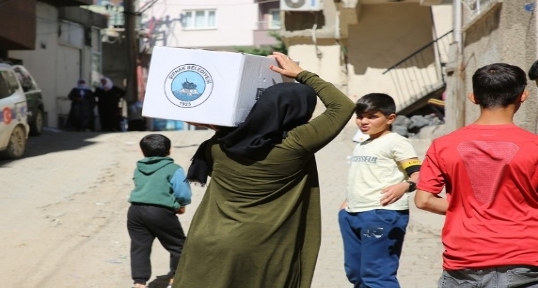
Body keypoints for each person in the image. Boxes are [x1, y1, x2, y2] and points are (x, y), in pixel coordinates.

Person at [172, 52, 356, 288]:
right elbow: (343, 106)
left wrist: (213, 121)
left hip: (208, 241)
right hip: (260, 248)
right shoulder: (296, 144)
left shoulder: (218, 146)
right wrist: (302, 75)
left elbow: (236, 133)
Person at [414, 63, 538, 287]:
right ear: (523, 96)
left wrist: (466, 206)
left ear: (472, 97)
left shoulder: (443, 145)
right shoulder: (534, 146)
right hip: (525, 258)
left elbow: (423, 200)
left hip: (464, 258)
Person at [338, 93, 421, 288]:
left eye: (372, 116)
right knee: (356, 273)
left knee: (377, 276)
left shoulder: (396, 142)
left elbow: (419, 174)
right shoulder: (363, 143)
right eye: (360, 116)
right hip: (352, 214)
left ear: (390, 118)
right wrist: (346, 204)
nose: (363, 121)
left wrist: (405, 186)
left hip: (381, 214)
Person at [127, 134, 192, 288]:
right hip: (159, 211)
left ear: (142, 152)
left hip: (135, 211)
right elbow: (183, 193)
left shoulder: (139, 168)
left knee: (139, 246)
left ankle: (139, 283)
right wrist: (180, 205)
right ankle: (176, 278)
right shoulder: (174, 169)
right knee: (179, 246)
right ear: (169, 151)